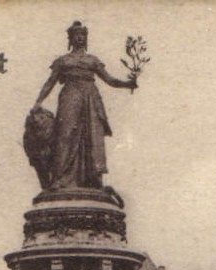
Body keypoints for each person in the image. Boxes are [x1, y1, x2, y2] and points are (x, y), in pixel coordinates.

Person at [31, 22, 139, 191]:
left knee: (91, 136)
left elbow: (110, 80)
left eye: (83, 35)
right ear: (71, 38)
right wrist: (38, 102)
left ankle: (92, 179)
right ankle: (60, 178)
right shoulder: (62, 61)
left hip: (90, 98)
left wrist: (128, 84)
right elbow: (50, 83)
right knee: (65, 134)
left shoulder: (93, 60)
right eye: (76, 35)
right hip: (70, 96)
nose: (80, 38)